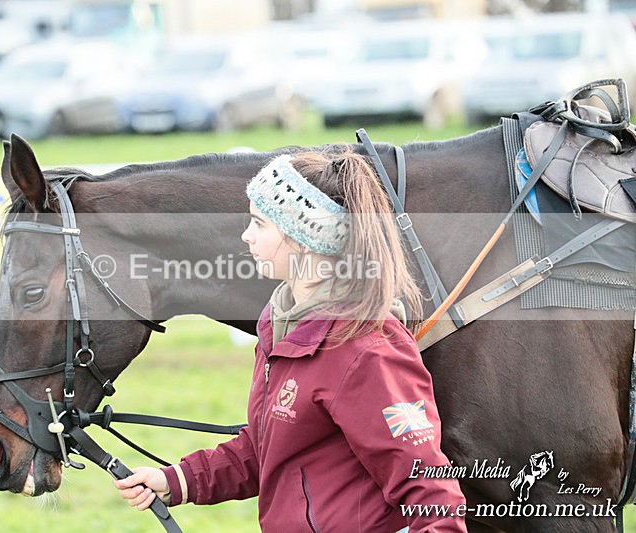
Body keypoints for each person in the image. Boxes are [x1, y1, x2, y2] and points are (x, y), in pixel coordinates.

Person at [114, 149, 467, 532]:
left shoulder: (368, 350)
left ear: (303, 239)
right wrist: (177, 480)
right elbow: (271, 446)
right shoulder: (280, 323)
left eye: (259, 223)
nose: (245, 235)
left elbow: (429, 491)